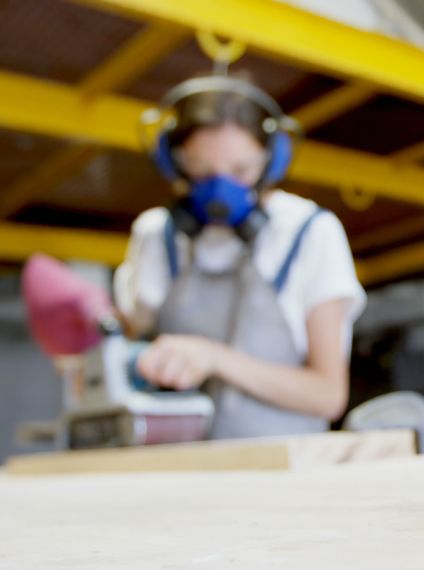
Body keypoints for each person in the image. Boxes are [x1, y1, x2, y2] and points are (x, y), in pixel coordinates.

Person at [113, 75, 365, 439]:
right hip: (173, 472)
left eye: (241, 170)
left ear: (271, 162)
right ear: (174, 162)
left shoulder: (309, 232)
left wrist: (213, 357)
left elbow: (328, 396)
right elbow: (129, 342)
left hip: (283, 473)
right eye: (201, 170)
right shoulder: (156, 234)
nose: (221, 188)